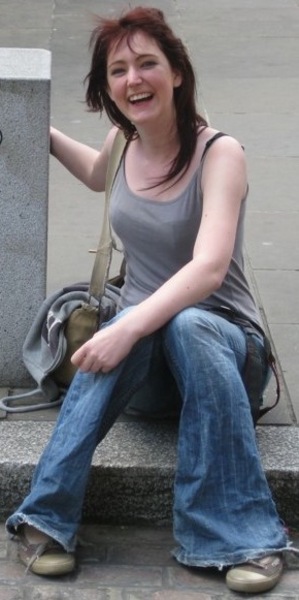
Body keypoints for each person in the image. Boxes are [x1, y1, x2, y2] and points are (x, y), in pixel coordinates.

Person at [6, 6, 292, 593]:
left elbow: (209, 269)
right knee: (144, 319)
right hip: (148, 367)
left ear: (177, 73)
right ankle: (45, 519)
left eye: (147, 64)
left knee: (182, 322)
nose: (133, 79)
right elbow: (95, 173)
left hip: (226, 349)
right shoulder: (125, 140)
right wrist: (32, 126)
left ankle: (239, 535)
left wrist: (126, 328)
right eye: (118, 70)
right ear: (107, 86)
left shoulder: (219, 154)